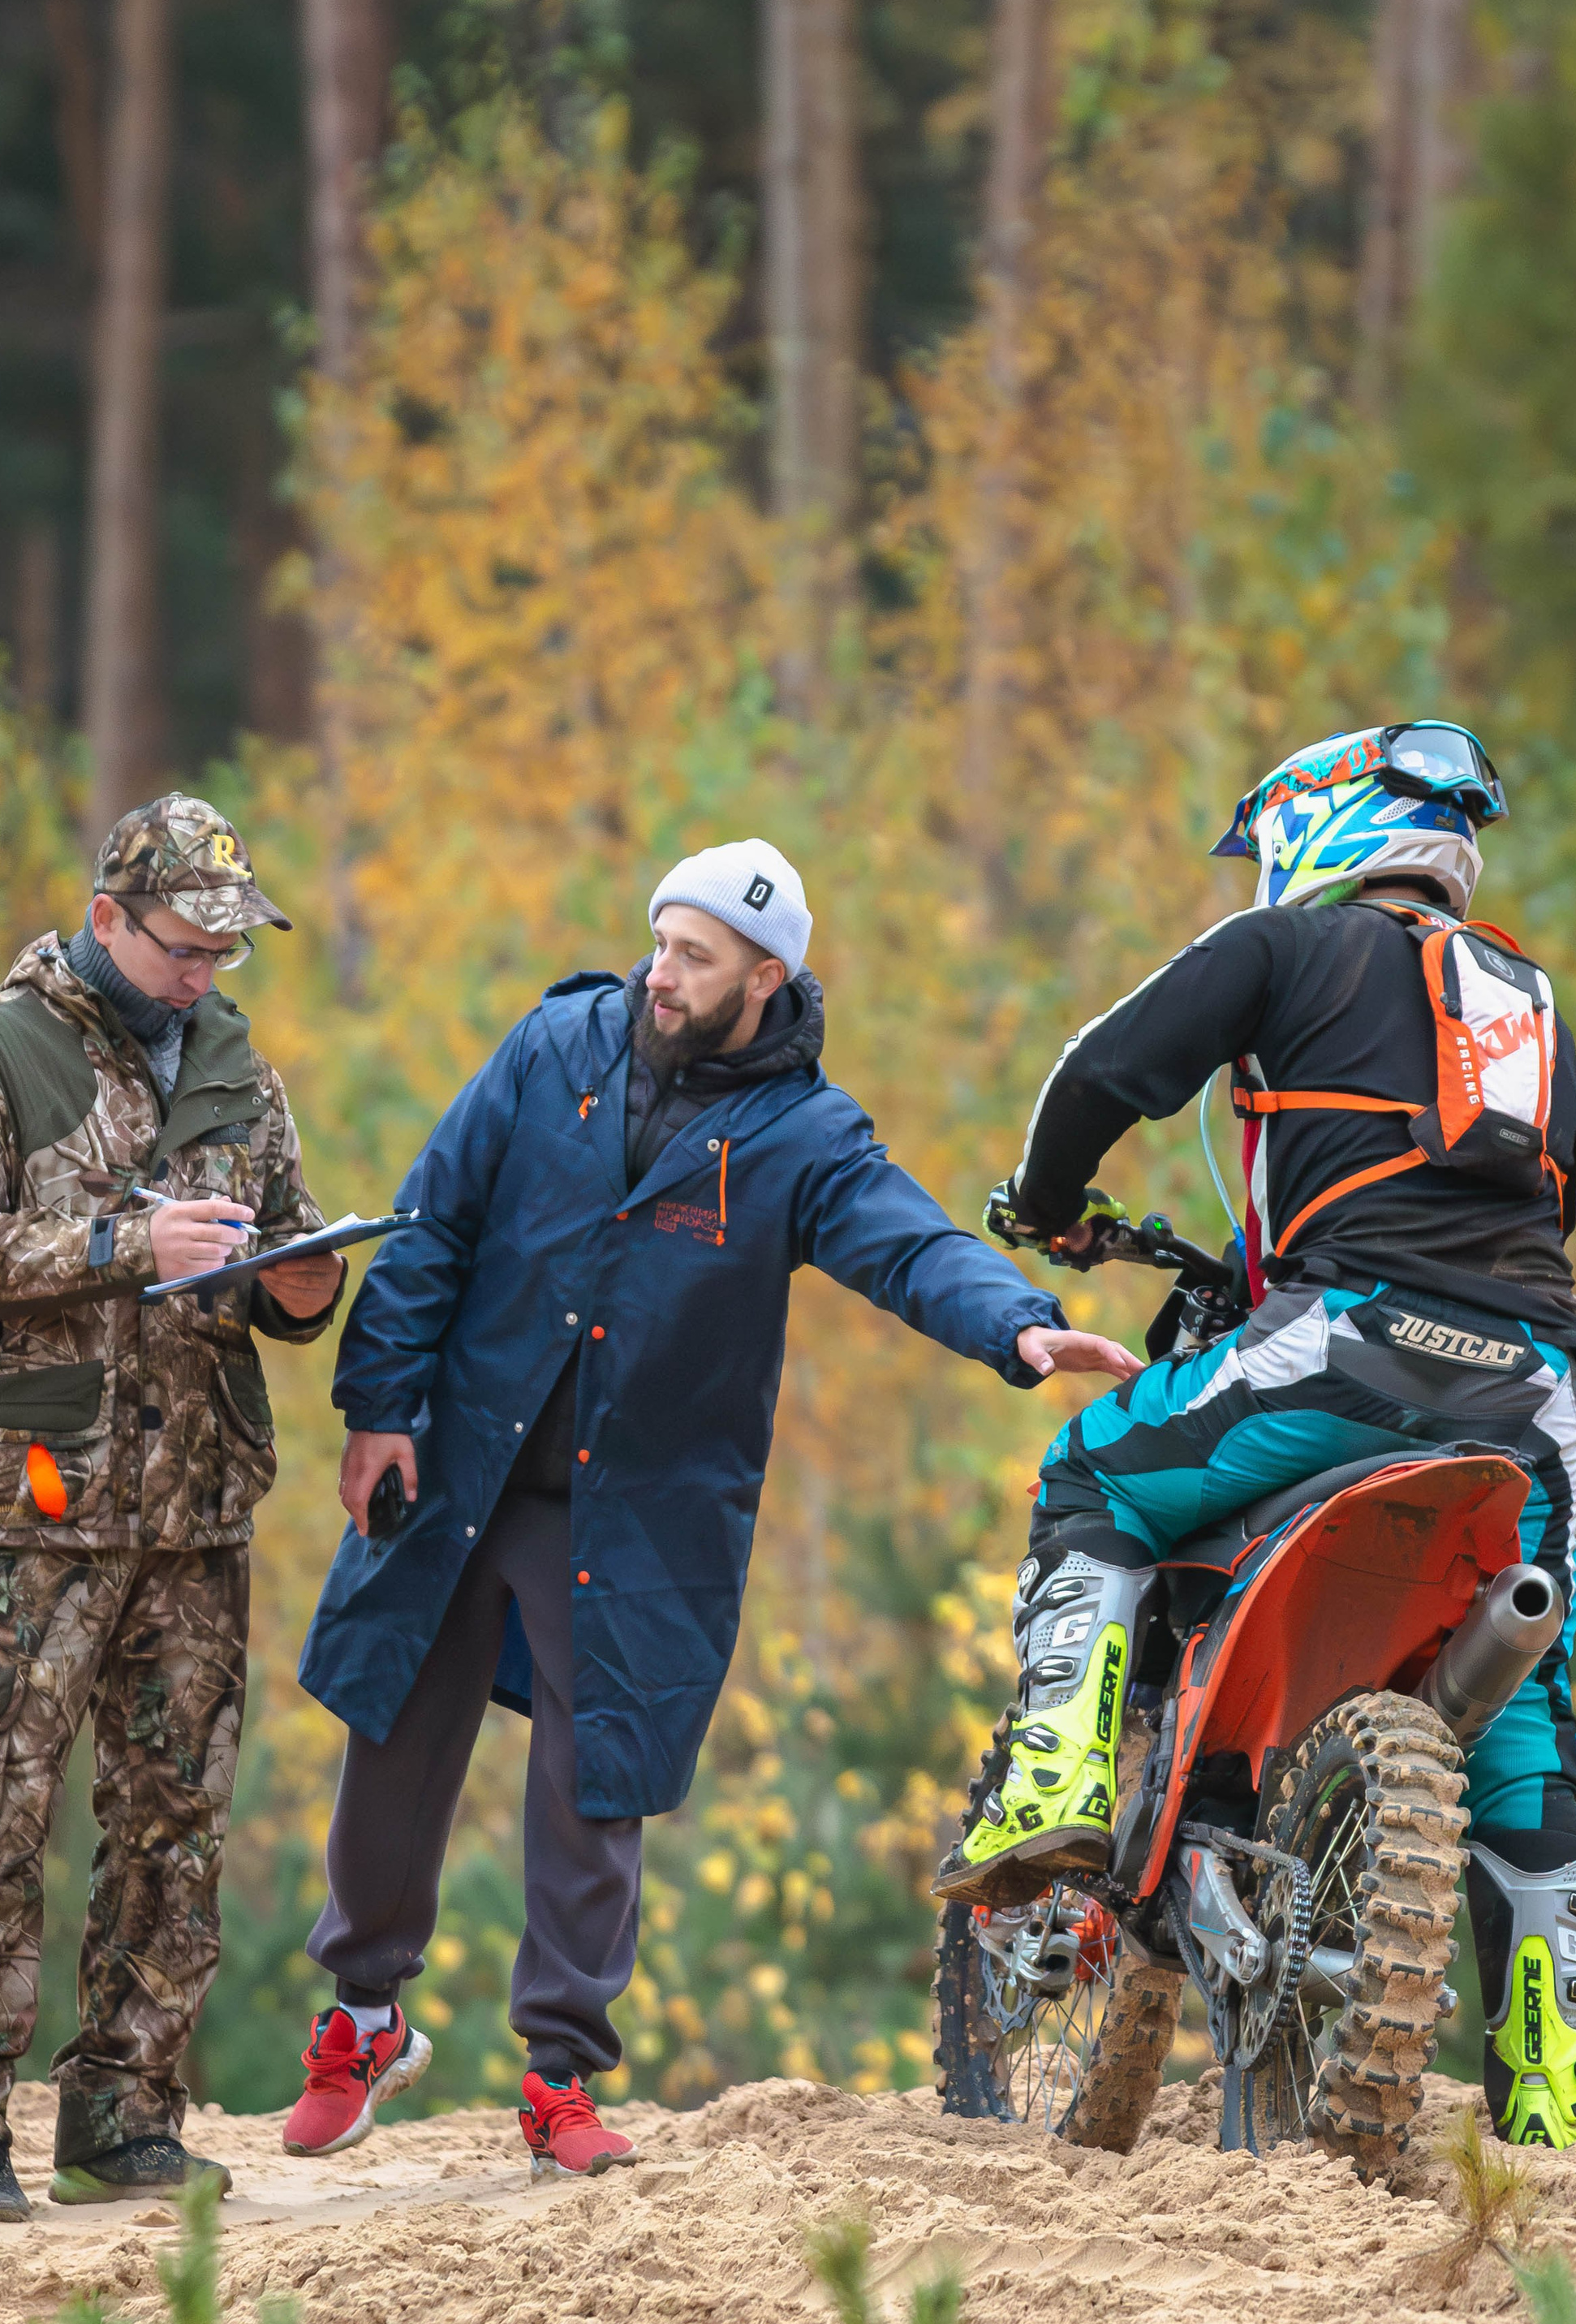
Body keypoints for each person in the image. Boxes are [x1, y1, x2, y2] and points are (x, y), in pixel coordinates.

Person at [282, 839, 1138, 2171]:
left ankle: (558, 2077)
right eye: (660, 944)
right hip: (462, 1468)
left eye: (695, 957)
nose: (661, 975)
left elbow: (909, 1241)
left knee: (596, 1780)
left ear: (764, 978)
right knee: (391, 1731)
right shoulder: (556, 1048)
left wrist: (1017, 1327)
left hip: (635, 1515)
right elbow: (433, 1221)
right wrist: (378, 1407)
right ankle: (363, 2016)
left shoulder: (805, 1135)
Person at [933, 723, 1576, 2150]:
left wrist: (1047, 1208)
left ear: (1321, 826)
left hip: (1353, 1342)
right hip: (1532, 1390)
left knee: (1094, 1471)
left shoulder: (1287, 947)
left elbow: (1101, 1071)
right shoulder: (1531, 1006)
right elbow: (1540, 1201)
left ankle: (1052, 1778)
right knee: (1529, 1708)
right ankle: (1551, 2080)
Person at [0, 796, 347, 2221]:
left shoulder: (239, 1075)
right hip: (34, 1503)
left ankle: (126, 2119)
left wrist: (302, 1287)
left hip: (195, 1510)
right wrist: (128, 1242)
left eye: (224, 951)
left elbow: (282, 1244)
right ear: (106, 920)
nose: (204, 973)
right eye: (183, 945)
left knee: (173, 1824)